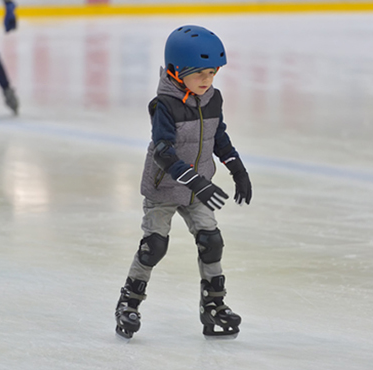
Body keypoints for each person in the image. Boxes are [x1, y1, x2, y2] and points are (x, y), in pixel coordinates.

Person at [114, 25, 252, 340]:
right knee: (154, 247)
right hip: (165, 187)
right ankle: (128, 304)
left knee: (211, 241)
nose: (207, 80)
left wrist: (238, 170)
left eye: (212, 73)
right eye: (199, 73)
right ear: (177, 71)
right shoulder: (164, 105)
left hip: (196, 189)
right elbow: (163, 152)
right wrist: (196, 182)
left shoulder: (212, 99)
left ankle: (214, 306)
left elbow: (220, 139)